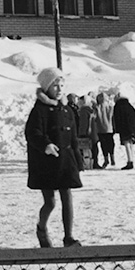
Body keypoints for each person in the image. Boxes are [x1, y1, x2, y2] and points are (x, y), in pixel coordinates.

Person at [25, 67, 82, 248]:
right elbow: (32, 133)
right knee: (50, 202)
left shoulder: (67, 110)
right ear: (46, 87)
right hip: (46, 164)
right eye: (55, 86)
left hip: (65, 161)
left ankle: (68, 237)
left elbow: (73, 137)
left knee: (67, 196)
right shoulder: (39, 110)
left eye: (62, 86)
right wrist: (46, 145)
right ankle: (41, 228)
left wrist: (77, 158)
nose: (59, 89)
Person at [112, 94, 135, 170]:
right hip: (132, 127)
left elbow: (117, 118)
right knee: (130, 144)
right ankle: (131, 160)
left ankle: (129, 162)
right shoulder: (130, 106)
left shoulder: (118, 106)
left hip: (124, 127)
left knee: (126, 143)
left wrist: (117, 129)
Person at [92, 92, 116, 168]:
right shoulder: (110, 107)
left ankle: (106, 159)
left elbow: (94, 117)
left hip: (100, 129)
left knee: (103, 145)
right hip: (109, 128)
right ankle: (112, 157)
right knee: (111, 143)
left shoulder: (97, 107)